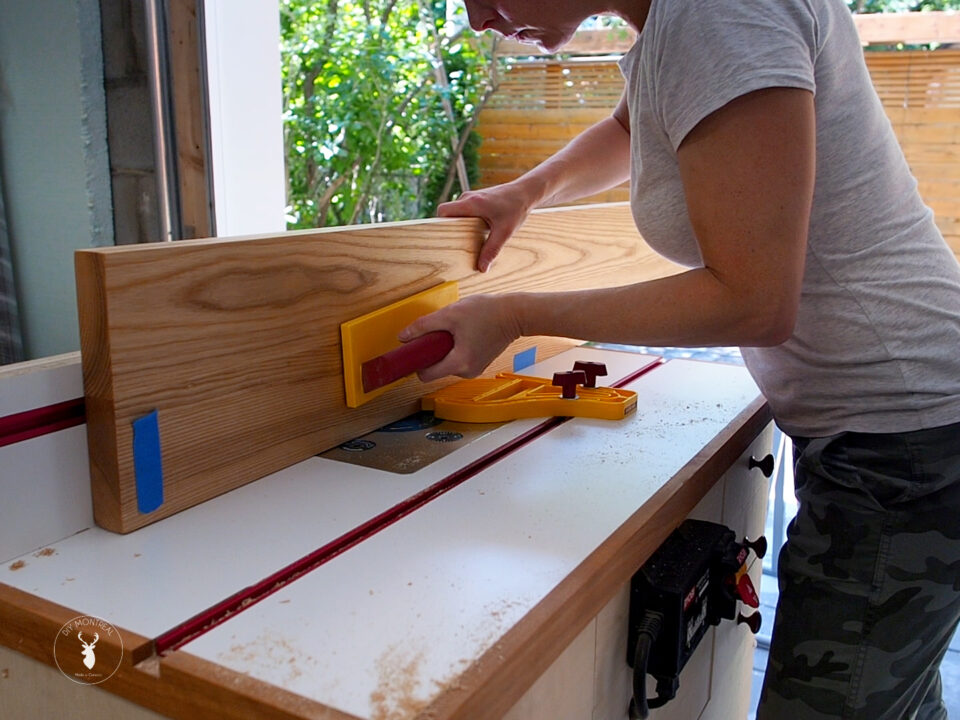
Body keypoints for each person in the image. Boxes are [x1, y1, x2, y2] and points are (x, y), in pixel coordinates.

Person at [398, 0, 960, 718]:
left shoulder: (717, 14)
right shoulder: (678, 23)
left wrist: (514, 313)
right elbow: (632, 128)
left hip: (907, 441)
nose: (478, 18)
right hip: (894, 431)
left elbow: (753, 302)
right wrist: (527, 191)